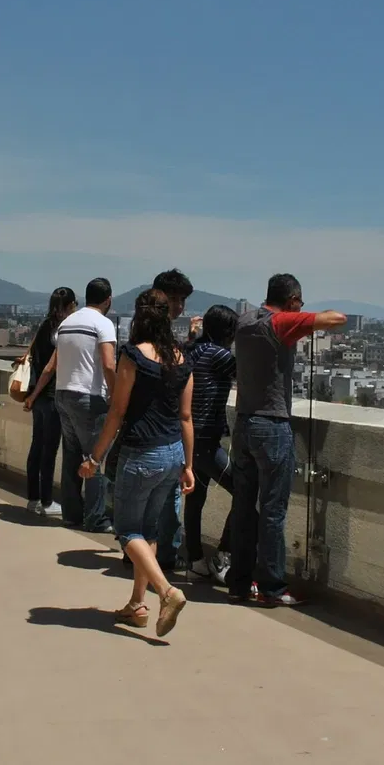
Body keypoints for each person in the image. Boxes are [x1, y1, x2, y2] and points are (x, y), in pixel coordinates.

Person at [227, 274, 346, 607]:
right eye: (300, 302)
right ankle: (271, 588)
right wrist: (302, 319)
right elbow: (337, 318)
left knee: (243, 509)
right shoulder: (279, 324)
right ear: (293, 299)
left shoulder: (246, 320)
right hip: (272, 424)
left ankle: (238, 582)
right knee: (272, 512)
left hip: (244, 423)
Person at [80, 289, 193, 636]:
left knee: (127, 530)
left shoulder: (133, 356)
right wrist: (188, 464)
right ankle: (136, 604)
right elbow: (186, 416)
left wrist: (94, 458)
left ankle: (167, 592)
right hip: (173, 452)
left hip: (141, 454)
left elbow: (117, 411)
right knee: (149, 531)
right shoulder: (180, 357)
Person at [54, 278, 118, 533]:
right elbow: (109, 364)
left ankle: (71, 513)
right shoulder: (103, 324)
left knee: (71, 456)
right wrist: (114, 393)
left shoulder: (67, 322)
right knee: (95, 458)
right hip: (88, 397)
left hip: (63, 393)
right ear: (108, 299)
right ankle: (96, 518)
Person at [182, 304, 238, 582]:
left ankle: (194, 559)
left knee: (195, 500)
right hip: (206, 438)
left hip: (190, 437)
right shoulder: (221, 355)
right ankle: (223, 555)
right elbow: (248, 377)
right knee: (244, 491)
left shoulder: (193, 350)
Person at [148, 269, 194, 574]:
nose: (179, 307)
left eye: (182, 300)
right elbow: (185, 412)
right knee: (167, 502)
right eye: (175, 299)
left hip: (143, 431)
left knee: (144, 504)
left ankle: (141, 556)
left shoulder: (142, 336)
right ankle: (164, 558)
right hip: (164, 433)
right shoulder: (158, 339)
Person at [22, 287, 78, 518]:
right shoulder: (63, 330)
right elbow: (50, 367)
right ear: (70, 305)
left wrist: (32, 396)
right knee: (49, 450)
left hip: (38, 396)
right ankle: (46, 500)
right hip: (52, 395)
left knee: (37, 446)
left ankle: (33, 498)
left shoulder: (44, 326)